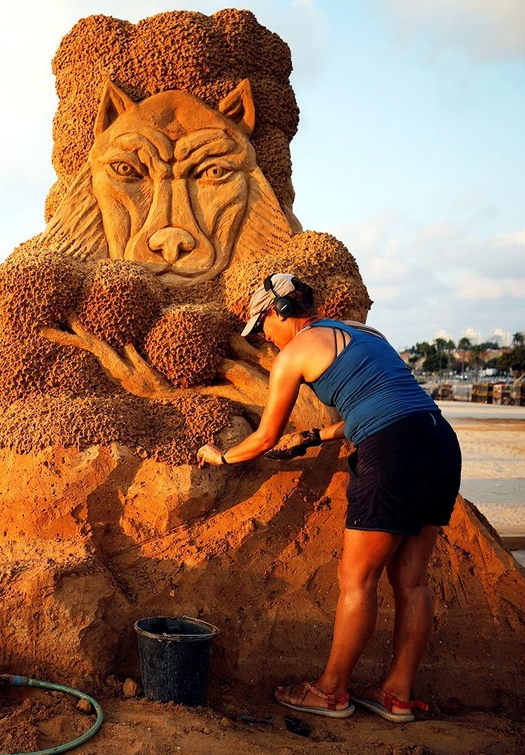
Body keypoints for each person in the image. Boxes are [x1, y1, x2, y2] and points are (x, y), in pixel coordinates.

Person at [196, 273, 461, 723]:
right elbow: (384, 401)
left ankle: (331, 691)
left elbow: (262, 438)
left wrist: (219, 457)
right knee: (412, 580)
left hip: (392, 450)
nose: (264, 340)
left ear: (278, 313)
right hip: (439, 441)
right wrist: (318, 434)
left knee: (357, 579)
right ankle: (396, 694)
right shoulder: (365, 333)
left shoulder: (295, 353)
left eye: (262, 328)